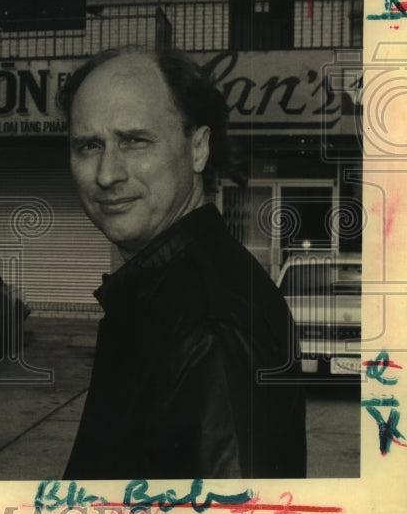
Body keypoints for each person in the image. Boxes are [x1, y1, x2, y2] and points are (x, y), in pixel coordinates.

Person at [57, 47, 306, 480]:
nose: (106, 174)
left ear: (198, 148)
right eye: (88, 146)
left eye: (134, 141)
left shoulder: (210, 327)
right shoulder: (160, 291)